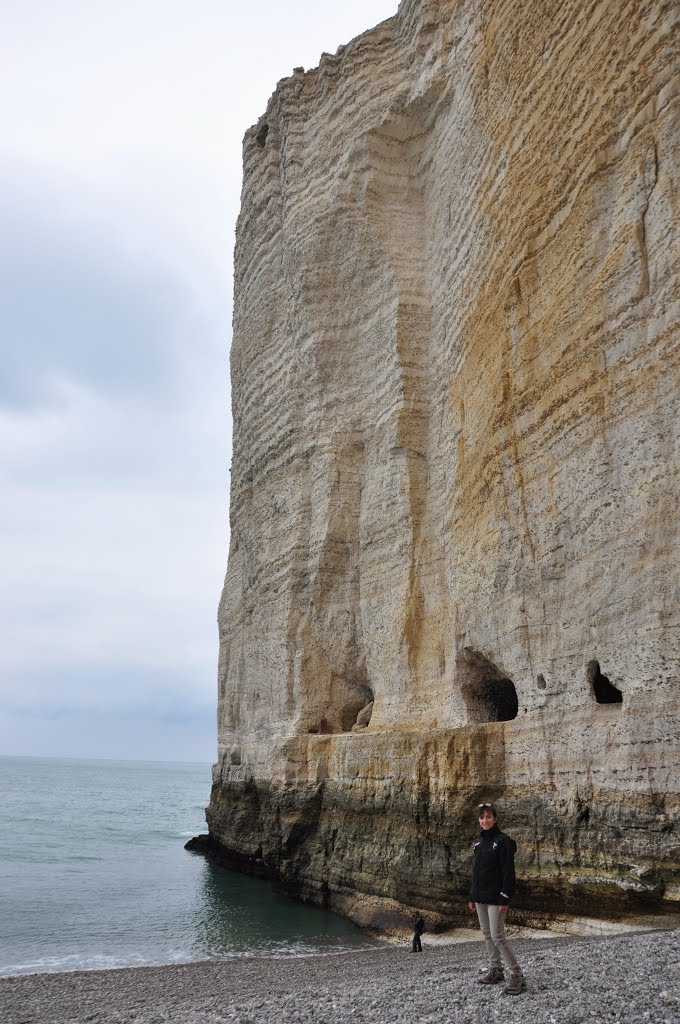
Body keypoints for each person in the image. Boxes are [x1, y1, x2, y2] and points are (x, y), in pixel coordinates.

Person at [468, 801, 526, 995]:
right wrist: (471, 895)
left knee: (498, 936)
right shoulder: (478, 843)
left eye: (488, 817)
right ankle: (496, 970)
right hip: (480, 897)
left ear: (495, 818)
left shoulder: (503, 842)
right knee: (487, 935)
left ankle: (517, 975)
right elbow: (476, 873)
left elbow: (508, 873)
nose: (485, 820)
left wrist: (504, 897)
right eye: (482, 817)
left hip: (496, 898)